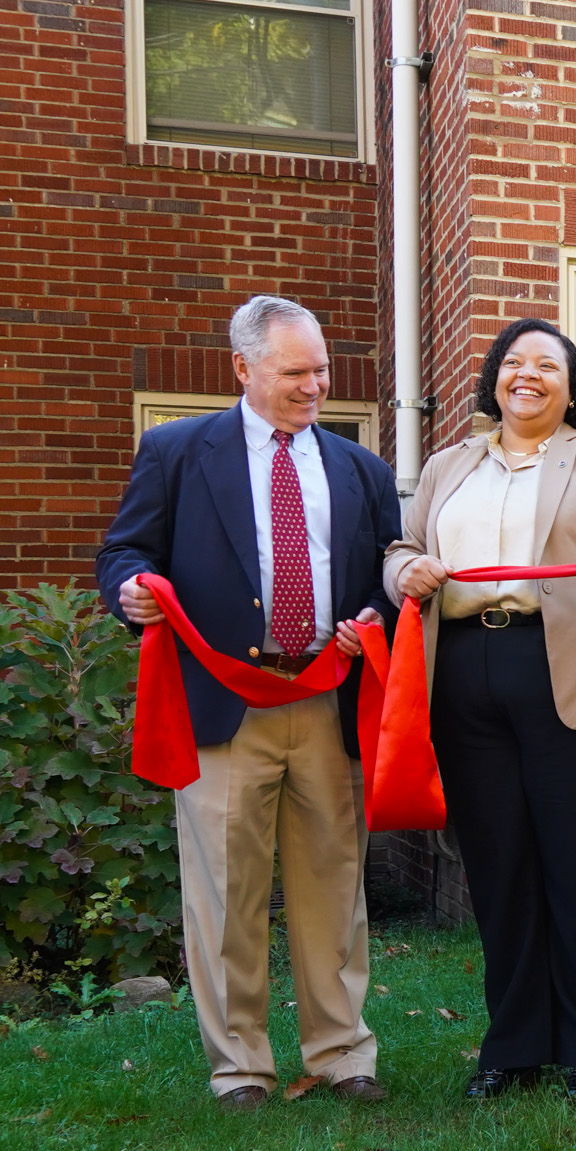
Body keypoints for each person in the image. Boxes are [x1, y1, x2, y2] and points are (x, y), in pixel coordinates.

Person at [97, 294, 399, 1108]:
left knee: (334, 885)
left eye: (322, 370)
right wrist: (129, 590)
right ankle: (241, 1067)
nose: (313, 386)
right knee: (225, 892)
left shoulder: (360, 469)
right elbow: (127, 548)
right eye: (295, 371)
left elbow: (384, 577)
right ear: (244, 367)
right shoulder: (176, 451)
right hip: (224, 704)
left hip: (325, 700)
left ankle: (342, 1053)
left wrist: (377, 612)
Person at [384, 318, 576, 1101]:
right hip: (468, 670)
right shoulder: (449, 464)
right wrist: (406, 574)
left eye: (548, 364)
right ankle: (512, 1046)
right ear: (494, 379)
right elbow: (401, 551)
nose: (529, 375)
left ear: (571, 386)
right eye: (515, 362)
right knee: (499, 866)